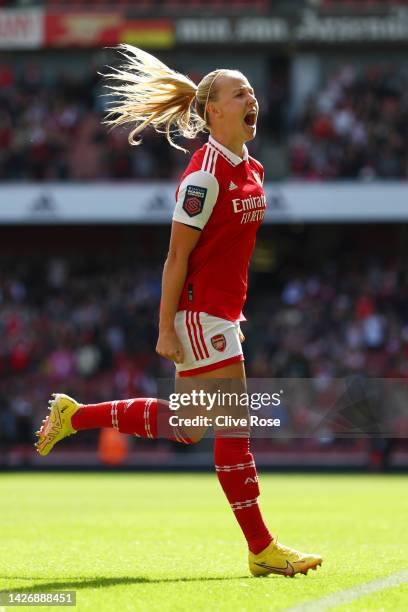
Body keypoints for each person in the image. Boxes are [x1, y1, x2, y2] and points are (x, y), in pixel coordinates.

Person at [35, 45, 322, 578]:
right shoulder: (203, 176)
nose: (251, 97)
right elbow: (176, 257)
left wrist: (230, 312)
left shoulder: (252, 167)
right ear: (213, 110)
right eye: (239, 93)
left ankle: (75, 416)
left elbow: (226, 254)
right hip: (199, 317)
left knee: (189, 428)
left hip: (219, 315)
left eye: (252, 91)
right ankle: (262, 547)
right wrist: (166, 326)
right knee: (234, 427)